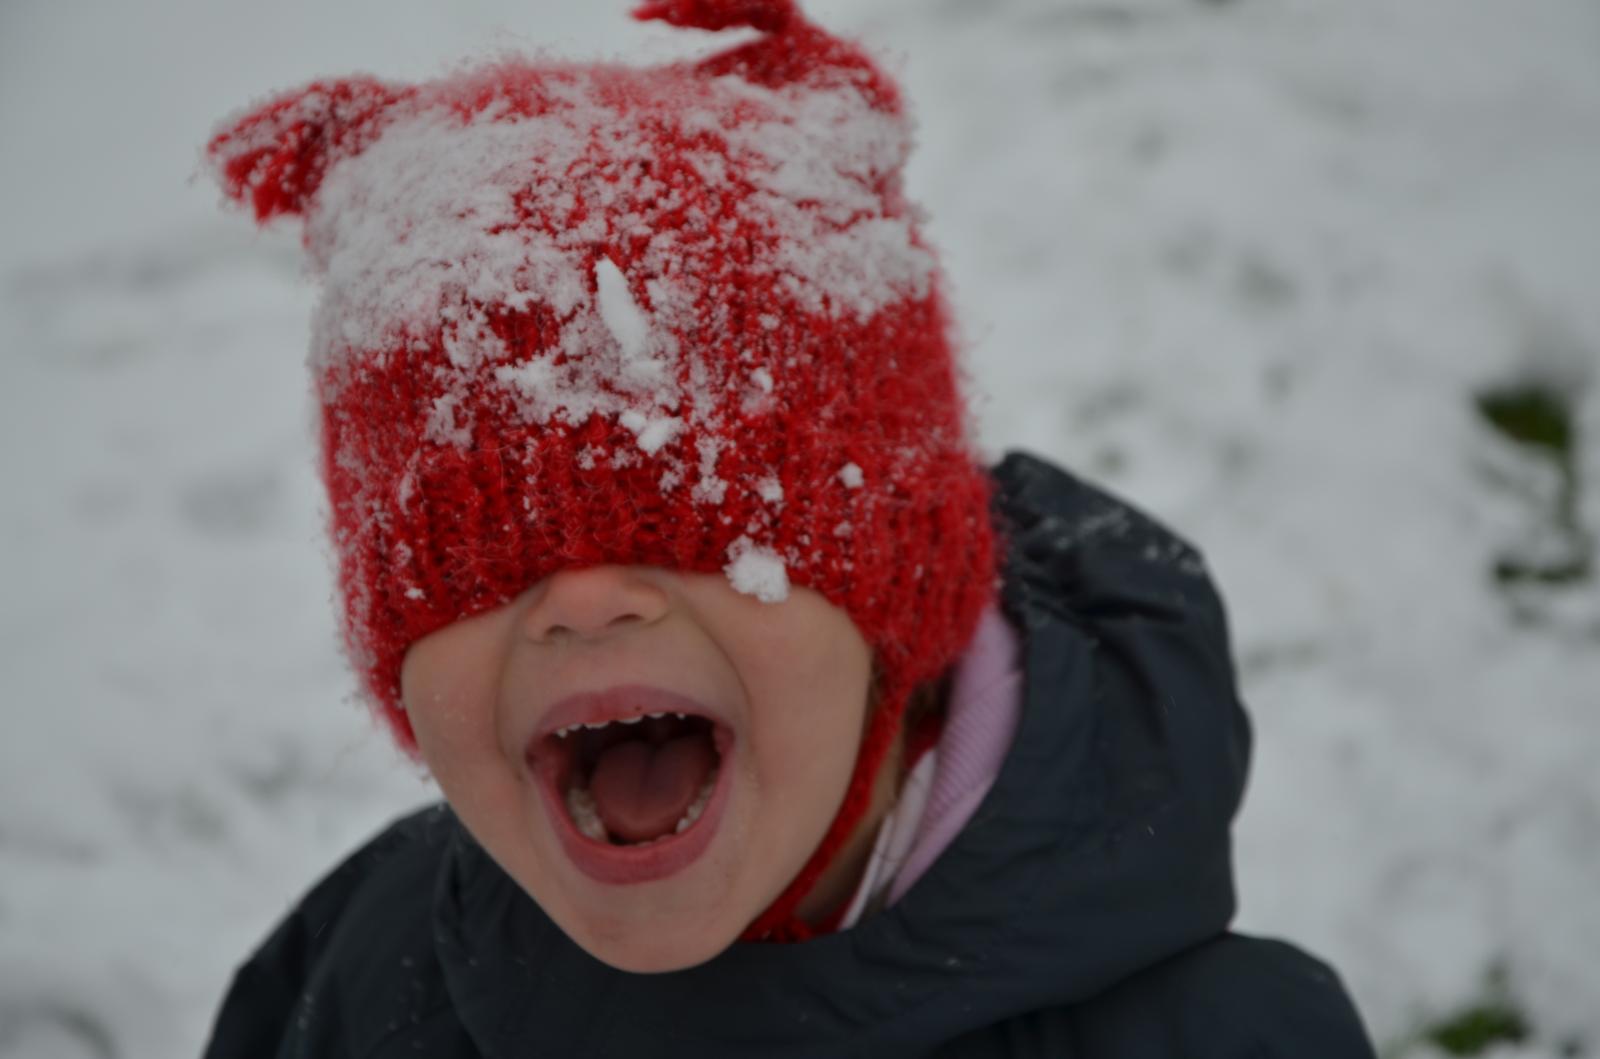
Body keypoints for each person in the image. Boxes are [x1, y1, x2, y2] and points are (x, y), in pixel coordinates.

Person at [200, 0, 1376, 1054]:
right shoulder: (362, 978)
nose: (581, 600)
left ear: (896, 588)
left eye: (697, 525)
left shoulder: (1216, 1036)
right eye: (467, 564)